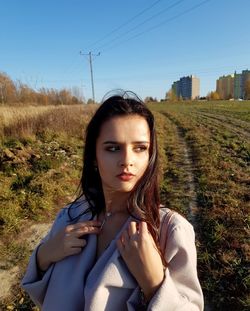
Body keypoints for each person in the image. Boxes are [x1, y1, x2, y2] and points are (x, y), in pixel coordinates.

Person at [21, 90, 204, 310]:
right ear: (94, 156)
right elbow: (45, 297)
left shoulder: (169, 231)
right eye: (113, 148)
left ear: (150, 155)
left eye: (140, 148)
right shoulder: (69, 217)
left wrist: (155, 285)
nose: (127, 161)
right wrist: (44, 255)